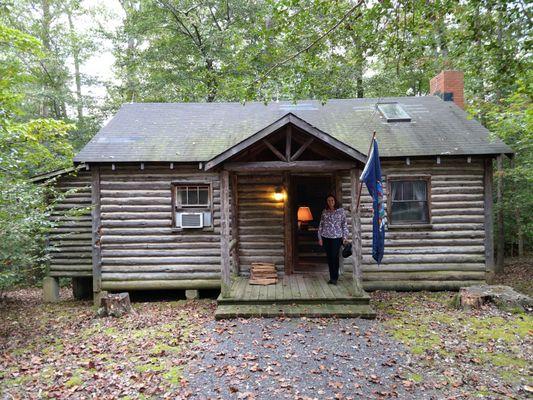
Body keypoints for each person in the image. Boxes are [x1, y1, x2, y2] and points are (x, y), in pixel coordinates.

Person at [317, 194, 349, 285]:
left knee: (334, 256)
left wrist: (345, 237)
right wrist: (320, 238)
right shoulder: (324, 212)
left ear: (335, 201)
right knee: (329, 258)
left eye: (332, 200)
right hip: (326, 237)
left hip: (337, 237)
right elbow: (321, 225)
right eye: (328, 201)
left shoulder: (341, 211)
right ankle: (331, 278)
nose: (330, 202)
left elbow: (344, 225)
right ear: (326, 202)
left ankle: (335, 277)